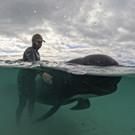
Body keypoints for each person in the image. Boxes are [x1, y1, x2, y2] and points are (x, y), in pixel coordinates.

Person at [16, 34, 53, 124]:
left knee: (32, 101)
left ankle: (30, 119)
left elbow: (37, 65)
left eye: (41, 42)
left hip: (31, 81)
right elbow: (32, 65)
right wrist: (43, 74)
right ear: (33, 41)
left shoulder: (37, 53)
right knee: (22, 103)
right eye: (38, 41)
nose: (40, 44)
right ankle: (17, 123)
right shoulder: (29, 51)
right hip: (23, 81)